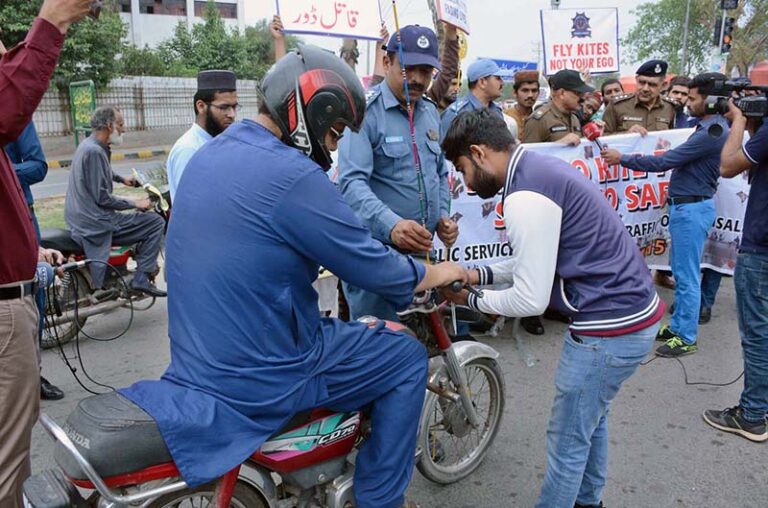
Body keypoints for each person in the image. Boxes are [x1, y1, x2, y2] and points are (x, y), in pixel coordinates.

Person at [120, 45, 467, 508]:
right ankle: (381, 499)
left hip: (194, 358)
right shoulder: (292, 174)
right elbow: (374, 266)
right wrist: (440, 270)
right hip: (266, 368)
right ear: (312, 109)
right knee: (402, 353)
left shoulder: (208, 154)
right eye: (335, 130)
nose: (334, 145)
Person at [442, 109, 664, 508]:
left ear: (477, 153)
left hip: (610, 329)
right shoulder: (534, 169)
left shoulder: (525, 195)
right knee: (589, 423)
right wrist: (475, 274)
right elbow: (535, 260)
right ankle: (589, 501)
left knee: (567, 441)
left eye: (462, 169)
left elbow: (530, 299)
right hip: (629, 315)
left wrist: (468, 298)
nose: (465, 183)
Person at [0, 1, 92, 505]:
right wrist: (50, 21)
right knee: (8, 463)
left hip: (22, 269)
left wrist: (30, 250)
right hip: (4, 309)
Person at [601, 73, 730, 357]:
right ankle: (678, 327)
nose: (688, 102)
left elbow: (665, 162)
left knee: (687, 276)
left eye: (694, 98)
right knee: (683, 272)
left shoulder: (712, 132)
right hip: (688, 207)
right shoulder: (708, 128)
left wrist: (621, 158)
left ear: (711, 101)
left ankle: (686, 337)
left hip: (692, 209)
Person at [337, 25, 458, 321]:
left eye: (426, 71)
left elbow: (440, 173)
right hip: (378, 257)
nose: (417, 79)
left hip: (423, 256)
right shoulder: (365, 112)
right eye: (408, 69)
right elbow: (352, 183)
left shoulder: (429, 111)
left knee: (424, 347)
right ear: (388, 62)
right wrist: (392, 225)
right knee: (377, 349)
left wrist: (443, 215)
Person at [702, 98, 768, 442]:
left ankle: (753, 415)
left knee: (757, 335)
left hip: (762, 247)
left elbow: (728, 166)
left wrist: (740, 119)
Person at [65, 106, 166, 297]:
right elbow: (102, 198)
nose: (124, 129)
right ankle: (141, 278)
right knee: (155, 222)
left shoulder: (89, 145)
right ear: (110, 126)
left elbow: (101, 171)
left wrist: (122, 179)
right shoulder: (95, 152)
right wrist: (136, 203)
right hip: (95, 221)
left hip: (81, 216)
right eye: (121, 124)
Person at [4, 120, 65, 401]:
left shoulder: (14, 114)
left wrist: (5, 172)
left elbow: (38, 166)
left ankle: (33, 375)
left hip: (19, 216)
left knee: (32, 295)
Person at [167, 70, 238, 201]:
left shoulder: (221, 142)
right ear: (201, 106)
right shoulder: (188, 149)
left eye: (234, 107)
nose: (232, 114)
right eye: (224, 108)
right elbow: (190, 205)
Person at [602, 60, 676, 135]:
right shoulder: (617, 105)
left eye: (652, 84)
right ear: (636, 79)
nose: (645, 89)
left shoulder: (669, 107)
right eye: (642, 82)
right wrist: (626, 134)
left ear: (663, 86)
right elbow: (603, 137)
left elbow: (674, 137)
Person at [522, 69, 592, 145]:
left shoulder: (574, 119)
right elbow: (527, 154)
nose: (583, 98)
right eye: (578, 93)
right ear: (562, 93)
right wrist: (559, 144)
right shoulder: (539, 120)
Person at [440, 58, 505, 139]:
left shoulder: (496, 111)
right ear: (482, 82)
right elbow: (443, 149)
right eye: (498, 78)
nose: (502, 83)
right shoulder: (456, 113)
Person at [504, 70, 540, 141]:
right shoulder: (505, 117)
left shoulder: (540, 117)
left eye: (534, 91)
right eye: (525, 90)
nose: (530, 95)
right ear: (515, 92)